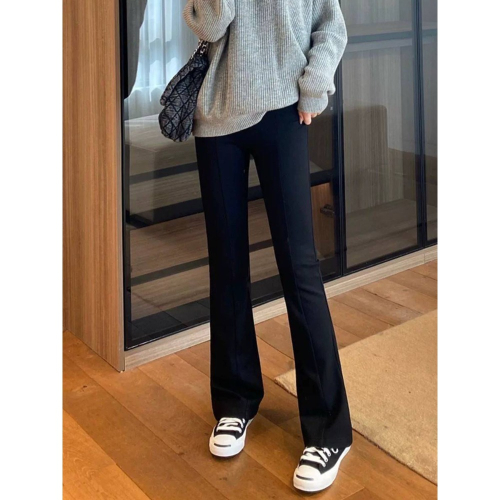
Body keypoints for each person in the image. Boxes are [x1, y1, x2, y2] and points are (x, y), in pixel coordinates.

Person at [182, 0, 351, 493]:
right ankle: (235, 401)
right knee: (227, 265)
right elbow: (208, 23)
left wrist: (314, 85)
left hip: (283, 111)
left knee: (300, 268)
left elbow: (331, 25)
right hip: (218, 118)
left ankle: (329, 430)